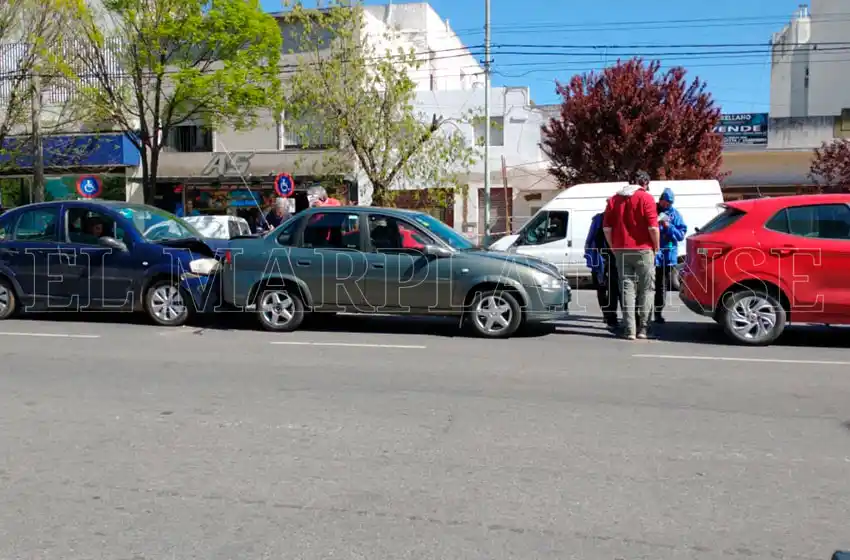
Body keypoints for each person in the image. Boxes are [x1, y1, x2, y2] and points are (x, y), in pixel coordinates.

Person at [602, 171, 660, 341]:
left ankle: (630, 330)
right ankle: (644, 328)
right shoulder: (646, 198)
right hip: (643, 249)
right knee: (647, 289)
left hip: (621, 249)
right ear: (645, 183)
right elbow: (653, 228)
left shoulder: (614, 199)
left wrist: (613, 247)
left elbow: (607, 228)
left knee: (627, 289)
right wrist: (656, 247)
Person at [654, 188, 687, 324]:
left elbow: (681, 235)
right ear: (660, 200)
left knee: (662, 286)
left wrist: (668, 226)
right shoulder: (651, 210)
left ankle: (657, 313)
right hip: (652, 254)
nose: (667, 205)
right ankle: (643, 314)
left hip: (667, 256)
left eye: (669, 203)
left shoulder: (675, 214)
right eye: (665, 202)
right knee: (647, 286)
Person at [585, 212, 620, 330]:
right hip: (601, 258)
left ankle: (610, 316)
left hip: (609, 258)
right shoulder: (599, 219)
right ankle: (608, 315)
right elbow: (591, 239)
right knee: (604, 288)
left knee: (610, 288)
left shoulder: (605, 218)